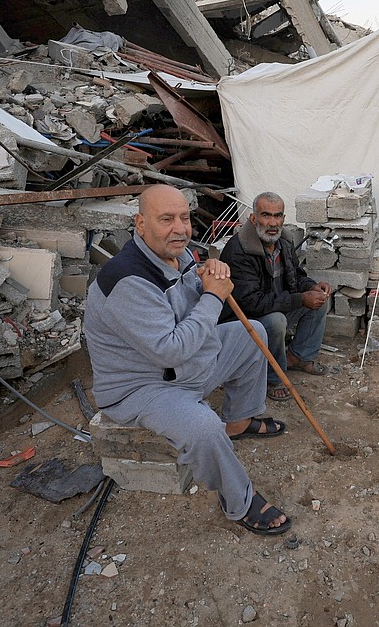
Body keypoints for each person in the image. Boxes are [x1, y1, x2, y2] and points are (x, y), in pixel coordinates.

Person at [84, 185, 292, 536]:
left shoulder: (176, 255)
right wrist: (212, 295)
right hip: (143, 388)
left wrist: (205, 277)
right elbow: (170, 348)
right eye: (166, 219)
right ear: (140, 223)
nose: (180, 228)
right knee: (203, 427)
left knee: (252, 332)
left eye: (184, 218)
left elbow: (188, 307)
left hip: (184, 368)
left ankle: (238, 423)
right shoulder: (126, 280)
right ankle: (239, 501)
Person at [220, 192, 331, 401]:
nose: (272, 223)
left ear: (284, 218)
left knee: (319, 300)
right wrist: (300, 299)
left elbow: (296, 277)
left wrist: (312, 287)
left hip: (275, 306)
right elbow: (252, 303)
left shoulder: (284, 242)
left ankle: (299, 357)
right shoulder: (239, 250)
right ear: (253, 219)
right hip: (243, 320)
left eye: (277, 216)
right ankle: (274, 377)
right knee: (276, 320)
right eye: (266, 215)